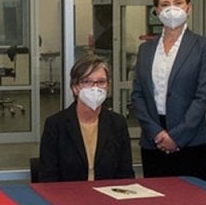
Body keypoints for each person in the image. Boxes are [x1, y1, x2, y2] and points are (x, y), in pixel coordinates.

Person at [131, 0, 206, 180]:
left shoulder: (203, 46)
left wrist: (176, 137)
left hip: (190, 141)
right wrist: (156, 133)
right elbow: (138, 95)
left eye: (178, 3)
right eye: (165, 4)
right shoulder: (146, 49)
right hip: (153, 141)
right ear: (157, 11)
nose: (172, 9)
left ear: (188, 8)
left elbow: (202, 97)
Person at [38, 54, 134, 182]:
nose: (95, 88)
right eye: (87, 82)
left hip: (108, 197)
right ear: (75, 87)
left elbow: (125, 174)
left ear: (108, 86)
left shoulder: (117, 123)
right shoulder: (56, 125)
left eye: (101, 82)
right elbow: (48, 177)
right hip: (69, 197)